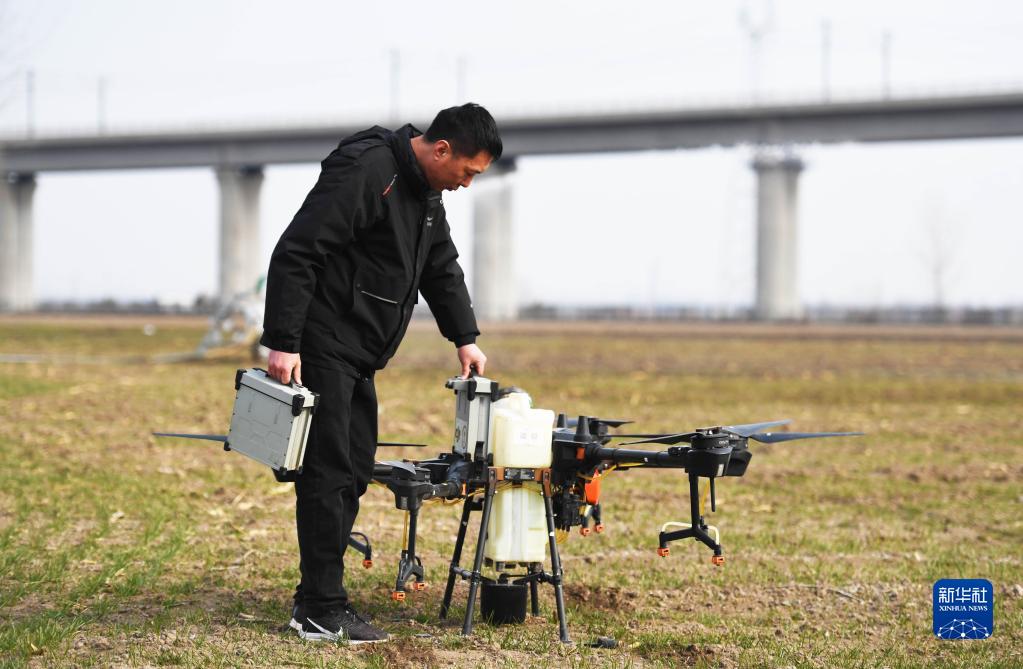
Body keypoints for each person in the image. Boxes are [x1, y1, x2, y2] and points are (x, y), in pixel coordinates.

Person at [259, 103, 502, 643]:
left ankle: (318, 598)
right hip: (324, 344)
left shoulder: (427, 194)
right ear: (442, 150)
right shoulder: (369, 171)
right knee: (329, 470)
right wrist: (282, 340)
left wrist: (465, 337)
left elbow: (440, 267)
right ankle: (320, 607)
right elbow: (298, 249)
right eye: (467, 172)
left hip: (359, 354)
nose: (467, 184)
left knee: (354, 467)